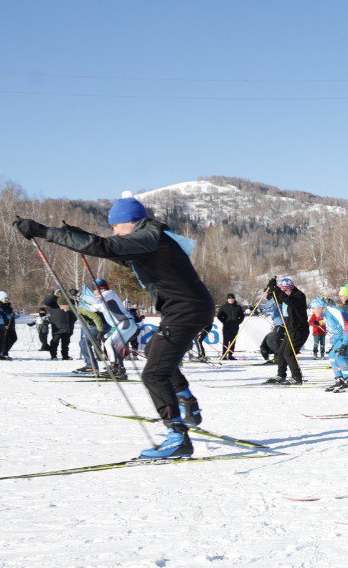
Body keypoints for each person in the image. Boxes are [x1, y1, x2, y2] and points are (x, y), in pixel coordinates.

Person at [14, 192, 214, 459]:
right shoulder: (152, 237)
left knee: (153, 374)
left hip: (185, 310)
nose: (114, 231)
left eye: (116, 226)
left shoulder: (149, 236)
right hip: (188, 309)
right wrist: (78, 237)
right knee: (157, 354)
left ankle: (177, 435)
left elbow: (105, 247)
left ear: (131, 222)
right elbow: (117, 254)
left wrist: (43, 232)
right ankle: (188, 404)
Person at [258, 277, 308, 385]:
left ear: (290, 288)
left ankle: (297, 377)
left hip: (299, 330)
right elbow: (276, 299)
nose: (284, 292)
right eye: (283, 290)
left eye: (285, 290)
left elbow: (289, 301)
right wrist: (271, 288)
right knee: (281, 352)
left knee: (288, 353)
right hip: (290, 329)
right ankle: (281, 375)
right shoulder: (286, 295)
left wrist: (278, 290)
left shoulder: (299, 296)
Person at [310, 295, 348, 392]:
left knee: (340, 356)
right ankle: (340, 380)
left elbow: (347, 328)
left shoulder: (333, 311)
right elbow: (337, 332)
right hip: (343, 336)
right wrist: (333, 345)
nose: (313, 311)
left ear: (320, 307)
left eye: (314, 309)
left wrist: (344, 346)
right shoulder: (325, 314)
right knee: (332, 355)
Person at [45, 290, 76, 360]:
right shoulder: (53, 301)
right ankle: (53, 356)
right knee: (55, 341)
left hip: (68, 324)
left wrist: (73, 320)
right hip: (57, 325)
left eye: (61, 292)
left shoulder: (68, 300)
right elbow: (46, 302)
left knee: (66, 342)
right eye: (57, 292)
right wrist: (54, 295)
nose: (59, 293)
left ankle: (65, 356)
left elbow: (76, 307)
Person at [216, 293, 244, 360]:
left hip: (235, 327)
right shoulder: (223, 307)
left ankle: (230, 355)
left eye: (232, 299)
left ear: (234, 299)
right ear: (227, 299)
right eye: (229, 299)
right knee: (225, 341)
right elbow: (219, 315)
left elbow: (242, 316)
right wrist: (224, 322)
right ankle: (224, 355)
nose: (231, 300)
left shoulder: (238, 307)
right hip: (226, 327)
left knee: (233, 341)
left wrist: (238, 322)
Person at [0, 291, 18, 359]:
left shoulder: (9, 306)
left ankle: (4, 352)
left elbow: (11, 314)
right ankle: (4, 353)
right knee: (5, 340)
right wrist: (8, 317)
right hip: (4, 325)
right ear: (1, 299)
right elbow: (1, 315)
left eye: (7, 298)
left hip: (11, 325)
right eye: (5, 298)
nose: (7, 299)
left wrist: (15, 315)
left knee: (14, 338)